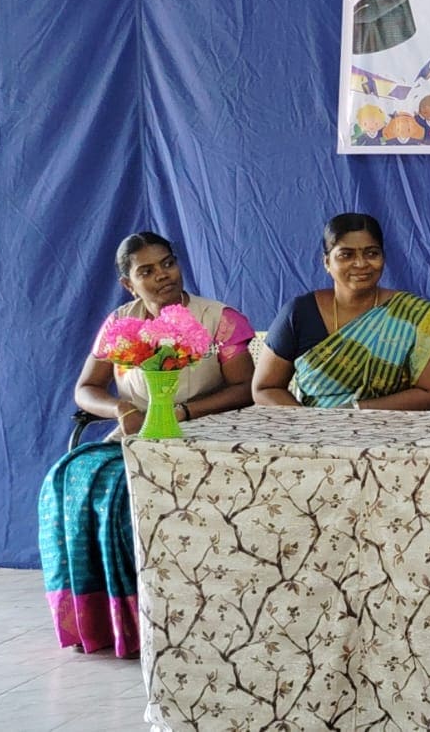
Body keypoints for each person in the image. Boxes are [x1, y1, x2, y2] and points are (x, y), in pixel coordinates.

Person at [42, 231, 256, 657]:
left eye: (168, 263)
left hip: (206, 435)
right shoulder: (121, 325)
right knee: (71, 481)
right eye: (147, 271)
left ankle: (177, 620)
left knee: (132, 496)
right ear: (128, 283)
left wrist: (183, 413)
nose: (163, 275)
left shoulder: (218, 319)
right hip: (137, 435)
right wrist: (121, 410)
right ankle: (117, 623)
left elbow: (245, 389)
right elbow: (85, 389)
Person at [253, 213, 430, 409]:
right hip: (317, 435)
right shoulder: (299, 313)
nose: (361, 264)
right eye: (346, 255)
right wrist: (309, 425)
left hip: (399, 434)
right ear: (327, 262)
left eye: (372, 253)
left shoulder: (416, 316)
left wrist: (355, 411)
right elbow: (265, 387)